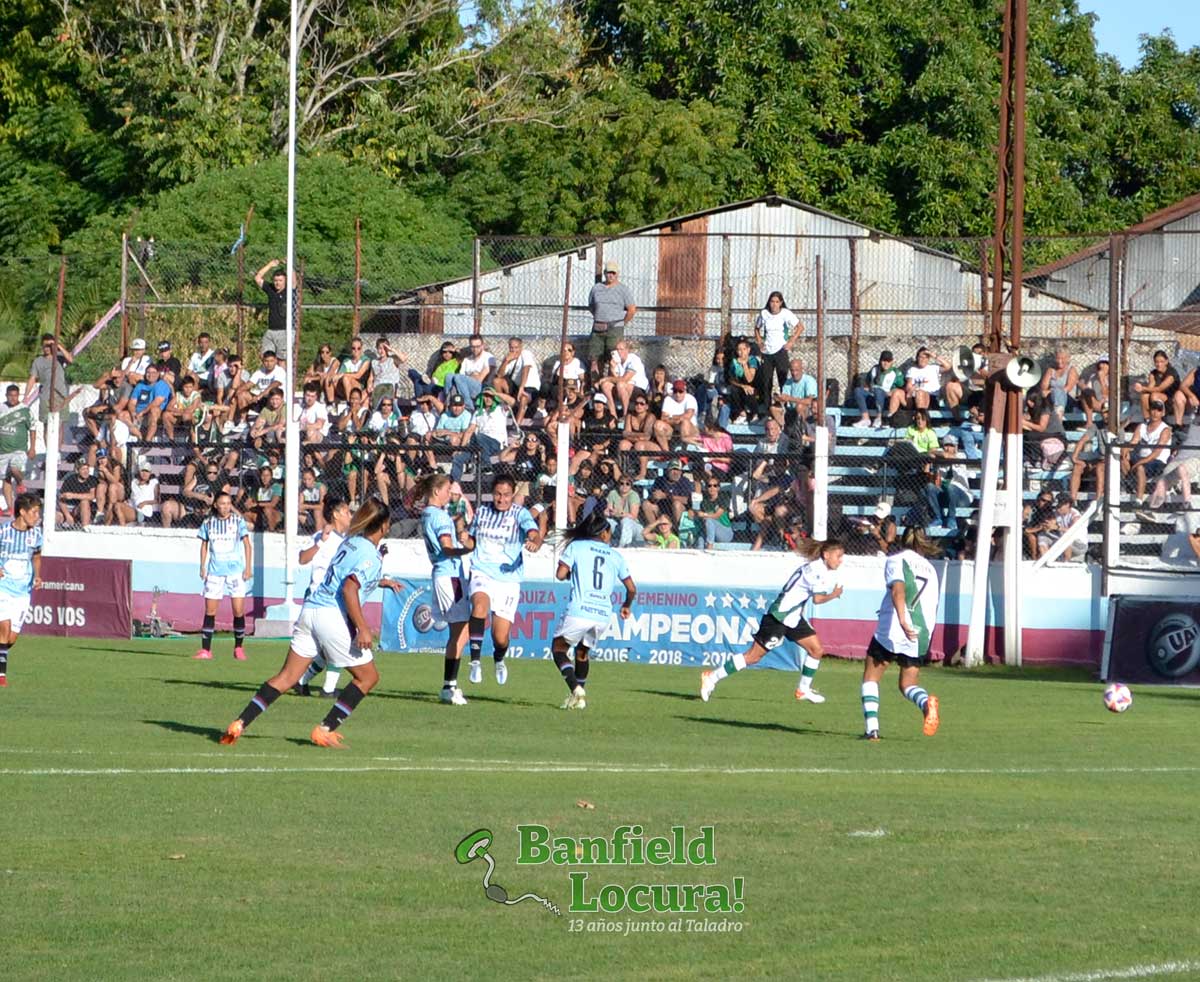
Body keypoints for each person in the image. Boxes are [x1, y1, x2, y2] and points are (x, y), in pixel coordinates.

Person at [219, 499, 403, 749]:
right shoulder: (369, 553)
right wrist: (362, 627)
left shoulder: (350, 543)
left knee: (287, 677)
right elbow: (350, 588)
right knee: (367, 677)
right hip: (332, 615)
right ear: (383, 525)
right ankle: (325, 729)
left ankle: (239, 723)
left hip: (310, 610)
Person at [700, 539, 845, 704]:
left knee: (816, 650)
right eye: (838, 556)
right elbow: (818, 599)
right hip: (779, 617)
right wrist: (834, 594)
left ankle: (802, 690)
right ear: (826, 555)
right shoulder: (817, 571)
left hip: (793, 618)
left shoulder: (817, 568)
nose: (840, 560)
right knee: (752, 657)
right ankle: (712, 676)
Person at [860, 526, 943, 740]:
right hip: (921, 632)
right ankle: (926, 703)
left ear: (901, 539)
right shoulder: (931, 570)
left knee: (871, 678)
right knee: (908, 684)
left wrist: (903, 620)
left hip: (894, 627)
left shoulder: (896, 560)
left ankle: (872, 731)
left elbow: (898, 589)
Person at [459, 474, 541, 685]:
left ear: (512, 494)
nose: (501, 499)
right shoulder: (483, 512)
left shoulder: (520, 513)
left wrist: (535, 541)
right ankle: (475, 662)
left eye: (506, 495)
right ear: (492, 493)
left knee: (500, 637)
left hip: (508, 579)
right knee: (479, 607)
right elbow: (472, 544)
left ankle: (499, 658)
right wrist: (465, 539)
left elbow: (533, 532)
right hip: (481, 571)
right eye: (497, 494)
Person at [551, 509, 636, 710]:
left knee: (559, 649)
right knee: (582, 653)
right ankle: (579, 700)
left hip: (579, 610)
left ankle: (575, 689)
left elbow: (560, 574)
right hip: (602, 615)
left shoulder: (577, 547)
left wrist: (574, 572)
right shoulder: (616, 556)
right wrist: (626, 606)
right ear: (604, 533)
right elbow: (631, 588)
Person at [416, 474, 475, 705]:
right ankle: (449, 687)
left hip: (441, 575)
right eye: (448, 489)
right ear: (436, 492)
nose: (450, 493)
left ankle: (449, 684)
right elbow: (447, 548)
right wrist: (467, 550)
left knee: (459, 631)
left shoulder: (428, 514)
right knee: (461, 631)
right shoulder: (439, 516)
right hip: (449, 575)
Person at [292, 498, 353, 700]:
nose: (350, 516)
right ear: (335, 514)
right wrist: (320, 542)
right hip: (321, 598)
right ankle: (327, 689)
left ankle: (302, 682)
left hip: (335, 598)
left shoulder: (348, 542)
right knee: (340, 643)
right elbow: (302, 559)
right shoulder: (322, 537)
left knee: (328, 647)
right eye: (346, 512)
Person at [194, 492, 253, 661]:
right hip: (214, 572)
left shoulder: (237, 521)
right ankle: (206, 650)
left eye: (228, 503)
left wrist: (248, 568)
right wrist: (202, 566)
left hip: (235, 571)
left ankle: (239, 648)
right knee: (210, 611)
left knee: (238, 610)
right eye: (222, 503)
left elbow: (247, 545)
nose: (226, 506)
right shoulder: (208, 523)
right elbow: (204, 546)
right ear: (215, 505)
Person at [0, 492, 43, 686]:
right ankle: (1, 676)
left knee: (12, 637)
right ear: (22, 512)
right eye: (34, 512)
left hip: (23, 591)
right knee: (4, 628)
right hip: (3, 587)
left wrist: (38, 575)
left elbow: (36, 556)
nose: (37, 516)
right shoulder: (3, 532)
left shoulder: (36, 534)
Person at [586, 260, 637, 378]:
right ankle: (595, 386)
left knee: (614, 359)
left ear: (617, 274)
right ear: (604, 273)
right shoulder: (596, 288)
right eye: (608, 273)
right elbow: (592, 307)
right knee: (594, 359)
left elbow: (631, 309)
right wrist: (600, 317)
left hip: (615, 329)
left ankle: (611, 385)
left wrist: (622, 323)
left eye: (613, 273)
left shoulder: (623, 289)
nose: (611, 275)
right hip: (598, 328)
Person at [753, 291, 802, 404]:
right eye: (772, 301)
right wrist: (760, 341)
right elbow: (757, 328)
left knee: (783, 380)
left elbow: (800, 327)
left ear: (781, 303)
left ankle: (785, 407)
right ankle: (766, 409)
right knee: (766, 382)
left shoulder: (785, 314)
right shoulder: (764, 313)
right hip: (767, 352)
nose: (774, 304)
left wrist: (791, 341)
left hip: (780, 350)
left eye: (777, 302)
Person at [1121, 399, 1172, 505]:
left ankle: (1138, 500)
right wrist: (1125, 450)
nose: (1155, 412)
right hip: (1141, 458)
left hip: (1157, 462)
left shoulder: (1165, 430)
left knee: (1140, 467)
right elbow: (1134, 441)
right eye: (1153, 409)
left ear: (1163, 413)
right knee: (1123, 457)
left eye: (1158, 410)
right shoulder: (1142, 426)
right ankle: (1131, 485)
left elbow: (1156, 453)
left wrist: (1139, 463)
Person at [26, 333, 73, 434]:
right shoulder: (38, 361)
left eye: (49, 346)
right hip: (45, 397)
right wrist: (26, 396)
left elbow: (70, 359)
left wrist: (58, 345)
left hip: (60, 396)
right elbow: (32, 378)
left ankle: (58, 449)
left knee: (59, 426)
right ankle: (48, 448)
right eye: (44, 346)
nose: (46, 348)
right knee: (47, 425)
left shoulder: (60, 357)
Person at [0, 384, 36, 516]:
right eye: (11, 396)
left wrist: (32, 447)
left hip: (19, 449)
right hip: (3, 450)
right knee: (6, 479)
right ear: (6, 396)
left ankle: (20, 482)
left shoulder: (25, 410)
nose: (13, 398)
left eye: (15, 396)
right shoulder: (1, 408)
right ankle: (10, 508)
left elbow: (32, 429)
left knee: (15, 468)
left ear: (18, 396)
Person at [254, 258, 298, 361]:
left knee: (281, 360)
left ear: (285, 281)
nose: (277, 283)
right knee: (266, 357)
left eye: (280, 280)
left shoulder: (289, 291)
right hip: (271, 330)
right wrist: (270, 265)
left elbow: (294, 280)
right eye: (275, 280)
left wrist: (289, 265)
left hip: (285, 330)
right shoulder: (271, 289)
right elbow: (257, 278)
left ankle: (282, 377)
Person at [494, 337, 541, 425]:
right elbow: (500, 375)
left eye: (516, 347)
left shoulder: (525, 354)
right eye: (511, 347)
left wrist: (521, 387)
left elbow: (526, 368)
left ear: (521, 347)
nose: (514, 350)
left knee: (523, 398)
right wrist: (506, 361)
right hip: (516, 386)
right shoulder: (509, 358)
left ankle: (516, 425)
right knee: (497, 381)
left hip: (530, 387)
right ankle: (505, 406)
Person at [599, 339, 649, 418]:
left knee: (620, 385)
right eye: (617, 349)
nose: (619, 352)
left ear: (627, 350)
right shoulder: (616, 361)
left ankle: (625, 415)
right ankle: (613, 415)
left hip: (638, 388)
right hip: (623, 387)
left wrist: (607, 378)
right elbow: (615, 379)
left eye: (621, 349)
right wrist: (612, 368)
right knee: (605, 385)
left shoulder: (634, 360)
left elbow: (624, 379)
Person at [852, 350, 903, 428]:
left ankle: (879, 418)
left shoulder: (896, 373)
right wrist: (867, 388)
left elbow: (902, 387)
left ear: (892, 362)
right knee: (858, 390)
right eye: (884, 361)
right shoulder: (874, 369)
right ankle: (865, 419)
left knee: (878, 390)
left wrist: (892, 391)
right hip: (873, 396)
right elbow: (868, 381)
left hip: (886, 399)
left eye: (888, 361)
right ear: (880, 360)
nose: (886, 363)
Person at [1133, 350, 1180, 424]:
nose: (1159, 364)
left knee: (1154, 396)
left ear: (1166, 361)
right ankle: (1147, 420)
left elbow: (1160, 388)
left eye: (1161, 362)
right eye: (1156, 362)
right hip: (1157, 396)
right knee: (1144, 396)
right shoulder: (1153, 373)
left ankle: (1159, 421)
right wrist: (1140, 389)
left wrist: (1143, 388)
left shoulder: (1171, 373)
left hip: (1171, 398)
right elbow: (1150, 387)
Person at [1039, 347, 1078, 418]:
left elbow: (1067, 389)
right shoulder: (1051, 370)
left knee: (1058, 393)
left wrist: (1051, 391)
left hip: (1067, 400)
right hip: (1051, 399)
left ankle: (1058, 421)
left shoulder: (1071, 370)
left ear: (1068, 358)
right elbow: (1043, 387)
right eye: (1057, 358)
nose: (1059, 361)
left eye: (1062, 358)